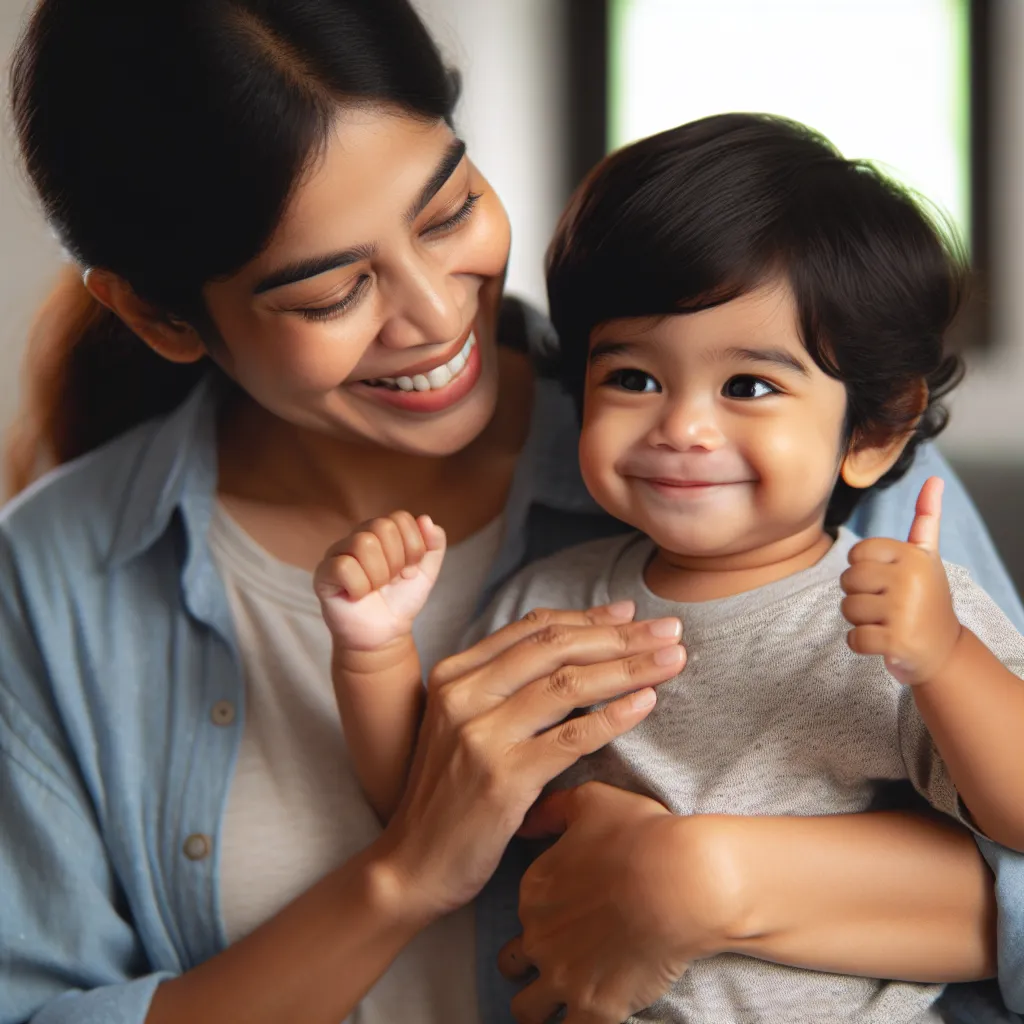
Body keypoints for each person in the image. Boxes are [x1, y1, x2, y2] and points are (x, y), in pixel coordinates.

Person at [0, 3, 1021, 1022]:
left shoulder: (841, 478)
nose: (440, 315)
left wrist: (704, 877)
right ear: (156, 314)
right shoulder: (53, 581)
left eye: (445, 212)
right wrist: (402, 869)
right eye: (328, 293)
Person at [313, 113, 1024, 1023]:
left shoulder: (904, 613)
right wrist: (371, 654)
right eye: (635, 379)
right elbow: (435, 810)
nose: (682, 426)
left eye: (749, 386)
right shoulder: (555, 600)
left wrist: (945, 657)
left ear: (876, 432)